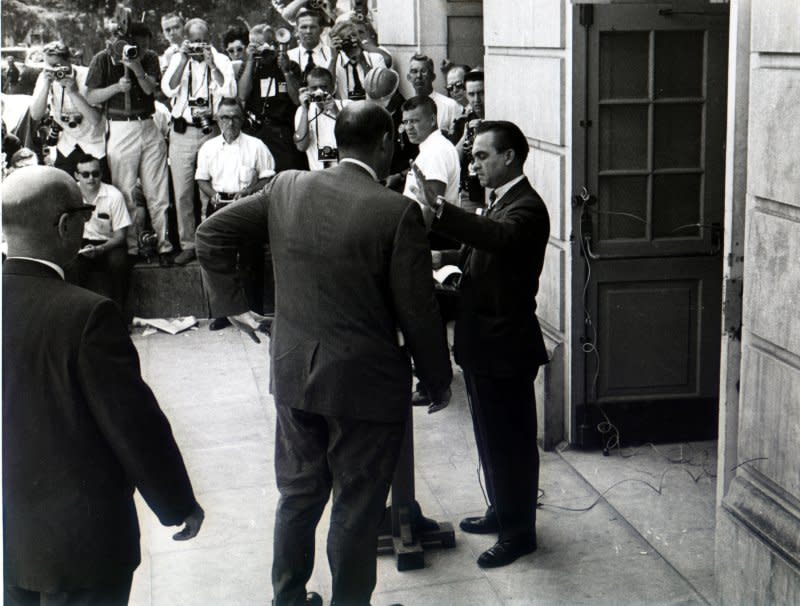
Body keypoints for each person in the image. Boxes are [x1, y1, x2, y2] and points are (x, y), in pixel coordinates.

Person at [196, 101, 452, 606]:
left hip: (294, 373)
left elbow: (211, 233)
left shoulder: (288, 186)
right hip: (365, 386)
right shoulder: (396, 211)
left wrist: (235, 307)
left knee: (297, 495)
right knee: (355, 509)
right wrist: (437, 377)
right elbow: (418, 311)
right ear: (384, 144)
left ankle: (287, 600)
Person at [2, 165, 205, 606]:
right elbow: (133, 425)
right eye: (83, 213)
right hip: (85, 547)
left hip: (13, 542)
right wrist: (177, 503)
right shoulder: (87, 315)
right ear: (65, 225)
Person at [411, 120, 550, 569]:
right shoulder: (500, 202)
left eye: (482, 156)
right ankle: (501, 511)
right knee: (491, 439)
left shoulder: (525, 207)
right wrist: (444, 257)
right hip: (483, 344)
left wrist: (440, 207)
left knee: (511, 443)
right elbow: (483, 250)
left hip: (505, 347)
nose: (475, 164)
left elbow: (500, 239)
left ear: (509, 156)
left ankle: (519, 533)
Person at [86, 22, 174, 266]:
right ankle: (132, 248)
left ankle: (164, 246)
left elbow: (150, 90)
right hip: (120, 125)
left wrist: (136, 67)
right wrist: (116, 87)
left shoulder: (150, 59)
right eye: (138, 45)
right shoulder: (102, 59)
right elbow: (90, 95)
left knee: (158, 191)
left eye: (146, 45)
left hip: (147, 123)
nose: (143, 49)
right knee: (124, 191)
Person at [162, 17, 237, 265]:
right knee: (182, 191)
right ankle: (188, 244)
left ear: (210, 39)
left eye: (203, 41)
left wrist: (212, 65)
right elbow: (168, 89)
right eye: (194, 42)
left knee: (211, 189)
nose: (198, 46)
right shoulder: (177, 58)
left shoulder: (221, 59)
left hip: (211, 130)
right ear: (186, 41)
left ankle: (212, 240)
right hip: (183, 131)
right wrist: (183, 60)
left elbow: (230, 93)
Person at [195, 97, 276, 329]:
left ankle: (256, 311)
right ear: (217, 120)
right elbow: (201, 179)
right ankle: (224, 314)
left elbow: (268, 176)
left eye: (234, 117)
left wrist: (250, 191)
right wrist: (212, 195)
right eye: (224, 117)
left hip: (246, 206)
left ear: (243, 119)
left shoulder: (256, 145)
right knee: (221, 260)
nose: (229, 123)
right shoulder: (208, 147)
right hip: (219, 204)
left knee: (251, 258)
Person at [30, 41, 108, 181]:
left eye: (58, 66)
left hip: (94, 143)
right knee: (65, 190)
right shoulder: (45, 77)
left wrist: (74, 93)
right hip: (68, 143)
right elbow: (35, 114)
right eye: (49, 65)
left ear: (69, 61)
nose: (55, 71)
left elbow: (95, 120)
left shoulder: (87, 75)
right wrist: (46, 84)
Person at [238, 23, 307, 171]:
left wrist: (286, 72)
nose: (261, 49)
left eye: (264, 44)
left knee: (285, 176)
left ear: (274, 43)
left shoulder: (290, 65)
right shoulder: (249, 67)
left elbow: (297, 100)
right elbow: (242, 95)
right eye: (255, 45)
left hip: (283, 132)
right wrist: (250, 61)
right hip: (256, 131)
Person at [69, 154, 132, 309]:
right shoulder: (69, 194)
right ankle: (77, 317)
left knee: (119, 264)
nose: (91, 178)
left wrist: (100, 249)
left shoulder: (114, 195)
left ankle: (118, 315)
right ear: (76, 175)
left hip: (108, 243)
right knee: (71, 266)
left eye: (95, 173)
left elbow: (120, 236)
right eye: (85, 174)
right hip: (80, 243)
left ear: (101, 174)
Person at [363, 66, 417, 191]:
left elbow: (420, 159)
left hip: (403, 186)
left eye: (379, 101)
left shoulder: (410, 116)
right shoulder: (367, 114)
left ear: (393, 94)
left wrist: (400, 176)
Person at [401, 95, 460, 207]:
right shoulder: (433, 147)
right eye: (405, 122)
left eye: (414, 121)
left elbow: (432, 207)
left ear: (432, 120)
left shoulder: (435, 151)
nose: (408, 127)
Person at [294, 66, 345, 170]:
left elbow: (357, 140)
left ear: (333, 87)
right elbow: (301, 146)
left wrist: (336, 112)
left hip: (344, 173)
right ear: (307, 89)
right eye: (314, 88)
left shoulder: (347, 106)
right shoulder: (302, 111)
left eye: (324, 87)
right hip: (318, 175)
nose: (319, 91)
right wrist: (305, 110)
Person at [452, 68, 486, 212]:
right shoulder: (462, 121)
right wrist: (466, 134)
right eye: (472, 94)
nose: (476, 99)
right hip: (470, 194)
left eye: (481, 93)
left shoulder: (499, 116)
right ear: (466, 94)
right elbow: (453, 160)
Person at [406, 53, 462, 137]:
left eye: (424, 71)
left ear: (433, 77)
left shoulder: (450, 106)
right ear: (409, 77)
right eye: (414, 71)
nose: (419, 76)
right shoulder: (406, 109)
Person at [329, 20, 385, 101]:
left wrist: (362, 60)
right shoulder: (334, 63)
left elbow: (379, 89)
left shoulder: (376, 58)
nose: (352, 40)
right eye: (345, 38)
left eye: (354, 35)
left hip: (372, 109)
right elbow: (328, 90)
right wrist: (333, 58)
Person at [286, 8, 334, 87]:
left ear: (321, 30)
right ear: (297, 30)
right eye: (304, 27)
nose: (308, 31)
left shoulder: (332, 54)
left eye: (313, 27)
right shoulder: (289, 56)